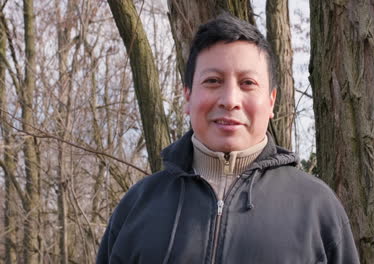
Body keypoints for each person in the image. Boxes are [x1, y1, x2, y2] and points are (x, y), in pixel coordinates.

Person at [97, 13, 359, 264]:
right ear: (188, 97)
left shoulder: (316, 208)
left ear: (271, 102)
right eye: (213, 81)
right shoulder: (138, 206)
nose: (230, 100)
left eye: (247, 83)